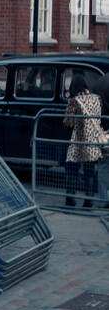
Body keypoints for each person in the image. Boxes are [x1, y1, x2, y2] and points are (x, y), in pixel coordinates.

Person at [63, 74, 106, 209]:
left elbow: (68, 123)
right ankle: (88, 200)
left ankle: (70, 199)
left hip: (78, 141)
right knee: (89, 172)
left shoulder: (74, 101)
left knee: (71, 170)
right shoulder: (97, 98)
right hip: (93, 141)